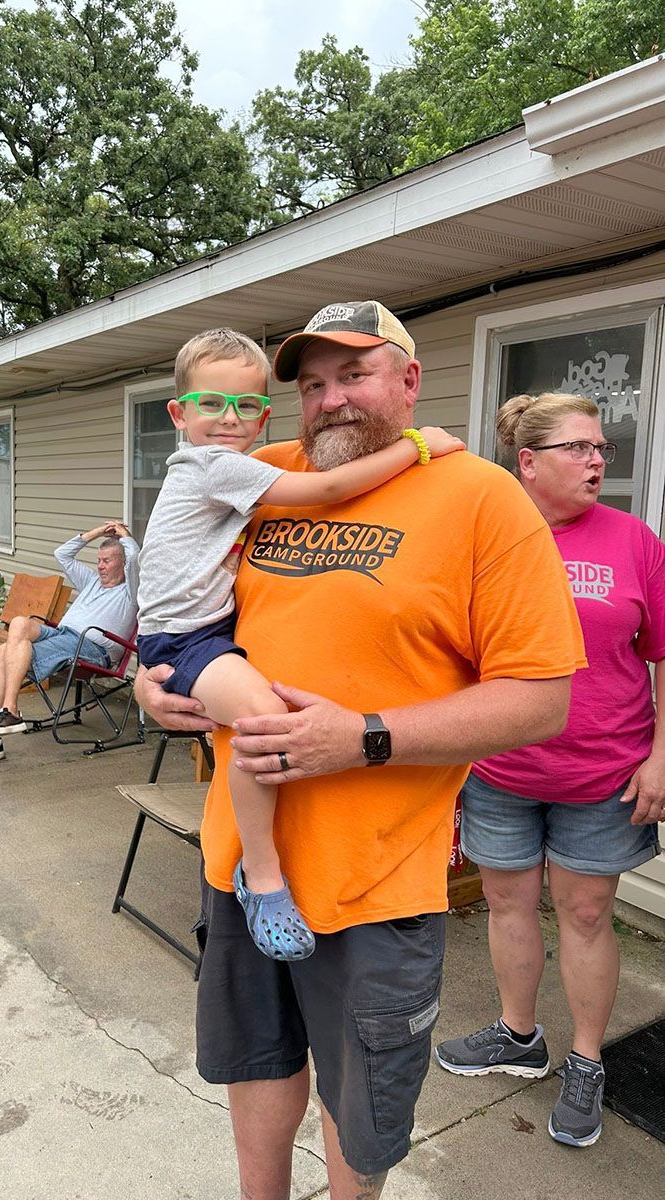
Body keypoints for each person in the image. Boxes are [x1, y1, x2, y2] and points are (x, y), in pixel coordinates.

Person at [136, 299, 587, 1200]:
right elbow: (185, 597)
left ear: (410, 381)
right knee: (258, 1065)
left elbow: (542, 700)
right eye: (311, 384)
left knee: (362, 1105)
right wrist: (155, 684)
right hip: (241, 858)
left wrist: (365, 737)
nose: (331, 399)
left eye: (355, 375)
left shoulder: (482, 497)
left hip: (375, 880)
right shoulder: (257, 471)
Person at [137, 327, 464, 962]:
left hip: (200, 632)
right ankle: (262, 878)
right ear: (178, 414)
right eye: (210, 404)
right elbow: (328, 491)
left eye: (247, 407)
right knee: (264, 723)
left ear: (265, 415)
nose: (228, 420)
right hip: (187, 637)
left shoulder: (256, 464)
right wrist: (422, 445)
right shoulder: (218, 467)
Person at [435, 392, 664, 1149]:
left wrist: (664, 755)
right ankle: (518, 1033)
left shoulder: (635, 541)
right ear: (527, 462)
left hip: (605, 772)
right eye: (580, 448)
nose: (598, 460)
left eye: (604, 449)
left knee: (587, 915)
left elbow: (662, 654)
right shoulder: (484, 537)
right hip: (500, 768)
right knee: (506, 906)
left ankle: (588, 1061)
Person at [0, 521, 139, 764]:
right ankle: (8, 711)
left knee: (10, 651)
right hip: (62, 635)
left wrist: (124, 536)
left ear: (123, 563)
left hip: (90, 649)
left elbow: (135, 558)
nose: (100, 566)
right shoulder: (91, 581)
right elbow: (62, 554)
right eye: (99, 560)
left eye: (107, 561)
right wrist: (97, 532)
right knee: (18, 625)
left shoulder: (131, 591)